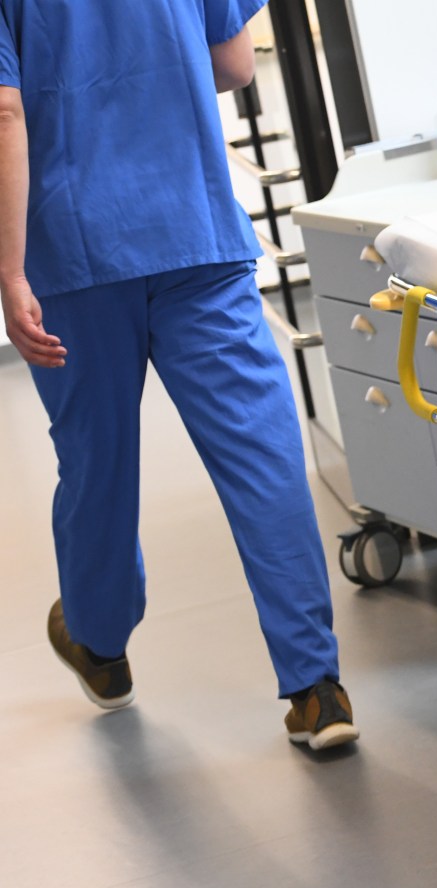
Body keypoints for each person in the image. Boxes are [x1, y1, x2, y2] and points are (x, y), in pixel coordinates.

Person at [0, 0, 358, 750]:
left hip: (73, 251)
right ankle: (316, 688)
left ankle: (100, 645)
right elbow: (235, 62)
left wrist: (10, 273)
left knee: (96, 463)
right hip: (196, 229)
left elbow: (5, 113)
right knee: (262, 453)